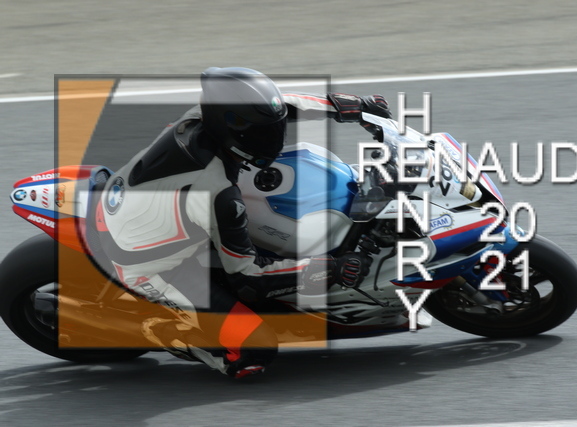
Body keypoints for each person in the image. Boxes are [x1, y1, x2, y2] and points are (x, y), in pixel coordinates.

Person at [89, 67, 392, 378]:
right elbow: (249, 279)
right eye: (263, 134)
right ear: (235, 131)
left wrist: (352, 106)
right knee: (254, 351)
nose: (274, 137)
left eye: (273, 129)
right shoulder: (217, 191)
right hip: (149, 266)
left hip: (135, 207)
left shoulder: (203, 117)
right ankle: (156, 329)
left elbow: (284, 106)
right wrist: (330, 268)